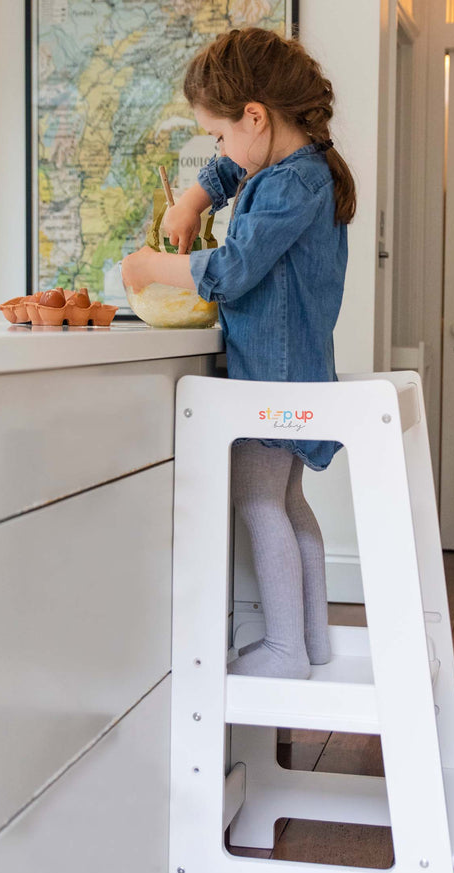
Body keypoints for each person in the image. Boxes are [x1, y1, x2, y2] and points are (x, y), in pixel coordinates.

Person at [122, 27, 356, 680]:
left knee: (257, 504)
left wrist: (149, 268)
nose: (220, 152)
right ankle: (311, 642)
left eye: (219, 135)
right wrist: (195, 199)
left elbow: (230, 272)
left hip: (271, 380)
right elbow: (234, 169)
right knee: (287, 503)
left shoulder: (285, 187)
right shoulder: (300, 166)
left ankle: (284, 651)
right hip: (298, 376)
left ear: (256, 117)